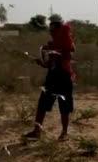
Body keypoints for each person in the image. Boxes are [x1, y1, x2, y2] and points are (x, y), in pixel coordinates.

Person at [24, 14, 76, 142]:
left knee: (64, 106)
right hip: (52, 76)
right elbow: (48, 64)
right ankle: (37, 132)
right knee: (42, 104)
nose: (51, 33)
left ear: (59, 30)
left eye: (53, 30)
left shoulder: (65, 42)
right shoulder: (51, 45)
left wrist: (53, 52)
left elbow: (69, 51)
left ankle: (64, 132)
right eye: (50, 30)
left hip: (64, 75)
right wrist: (41, 62)